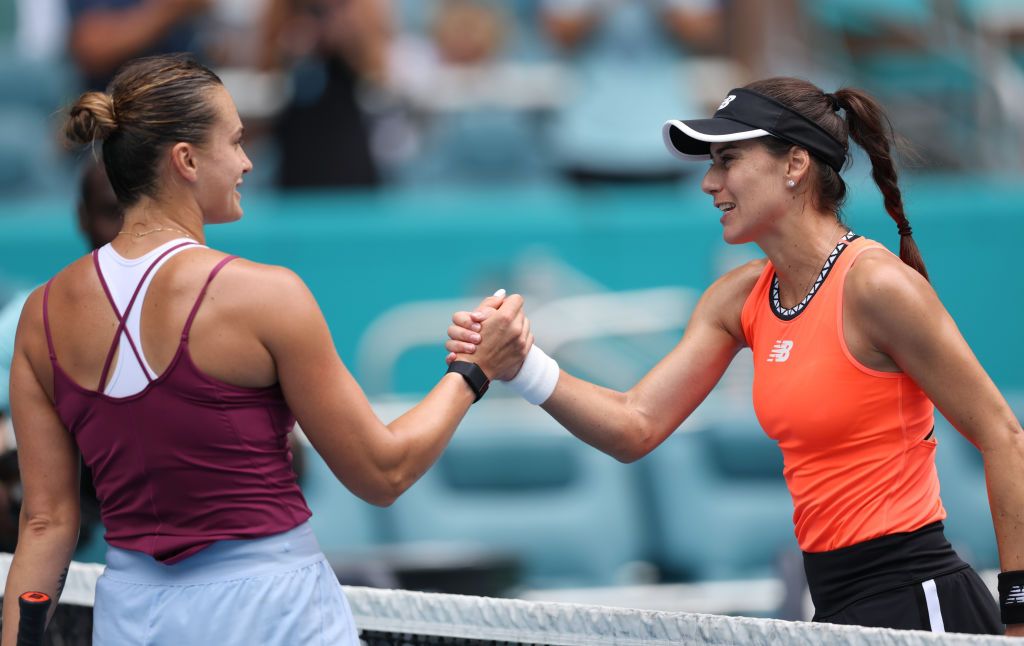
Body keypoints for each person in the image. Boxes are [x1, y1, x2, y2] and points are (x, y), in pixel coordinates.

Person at [447, 77, 1024, 635]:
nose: (708, 182)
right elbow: (635, 425)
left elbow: (1004, 436)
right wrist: (522, 365)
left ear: (794, 165)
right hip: (832, 605)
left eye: (727, 160)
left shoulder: (878, 287)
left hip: (919, 602)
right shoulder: (739, 298)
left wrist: (1020, 615)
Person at [2, 53, 527, 644]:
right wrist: (474, 371)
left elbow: (45, 525)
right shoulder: (264, 295)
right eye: (236, 141)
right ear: (187, 160)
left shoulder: (38, 317)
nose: (248, 162)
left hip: (132, 621)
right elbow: (384, 471)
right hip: (274, 614)